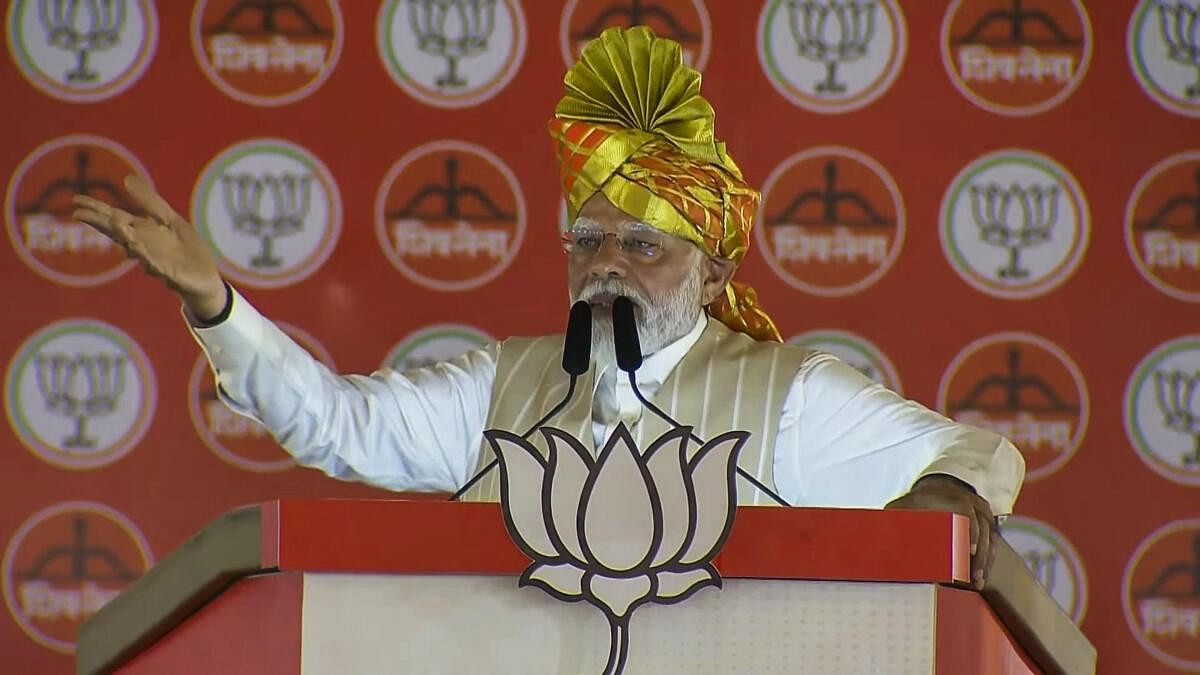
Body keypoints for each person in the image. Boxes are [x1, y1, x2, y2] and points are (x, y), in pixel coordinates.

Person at [72, 27, 1023, 589]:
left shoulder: (791, 399)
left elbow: (981, 452)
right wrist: (215, 300)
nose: (607, 264)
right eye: (589, 241)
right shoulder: (502, 383)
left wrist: (946, 497)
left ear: (716, 274)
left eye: (642, 244)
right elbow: (335, 422)